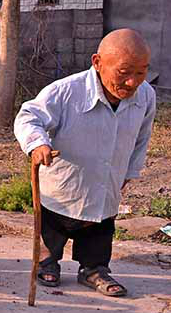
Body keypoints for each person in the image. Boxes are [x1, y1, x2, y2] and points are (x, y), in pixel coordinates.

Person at [14, 28, 155, 297]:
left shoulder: (146, 95)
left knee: (100, 228)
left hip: (107, 182)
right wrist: (37, 143)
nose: (132, 82)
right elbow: (28, 116)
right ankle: (47, 261)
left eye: (141, 72)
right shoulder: (66, 91)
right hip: (63, 184)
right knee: (52, 228)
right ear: (98, 63)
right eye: (124, 72)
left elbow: (142, 137)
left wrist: (130, 170)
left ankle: (93, 269)